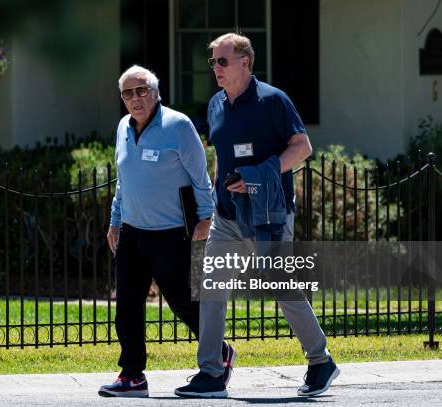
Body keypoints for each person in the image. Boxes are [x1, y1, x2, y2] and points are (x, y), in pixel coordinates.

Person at [175, 33, 340, 398]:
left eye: (222, 61)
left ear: (245, 62)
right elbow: (222, 157)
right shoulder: (216, 105)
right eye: (213, 62)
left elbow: (303, 148)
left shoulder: (273, 100)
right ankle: (212, 372)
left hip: (268, 214)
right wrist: (214, 202)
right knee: (211, 289)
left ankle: (320, 360)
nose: (215, 68)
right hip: (228, 216)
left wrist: (261, 173)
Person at [98, 65, 236, 398]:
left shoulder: (178, 126)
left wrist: (206, 219)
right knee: (127, 306)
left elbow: (200, 178)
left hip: (171, 232)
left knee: (183, 302)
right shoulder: (122, 127)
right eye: (128, 93)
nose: (136, 98)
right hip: (131, 232)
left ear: (156, 92)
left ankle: (219, 353)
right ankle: (132, 375)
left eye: (142, 90)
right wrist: (115, 220)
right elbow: (124, 179)